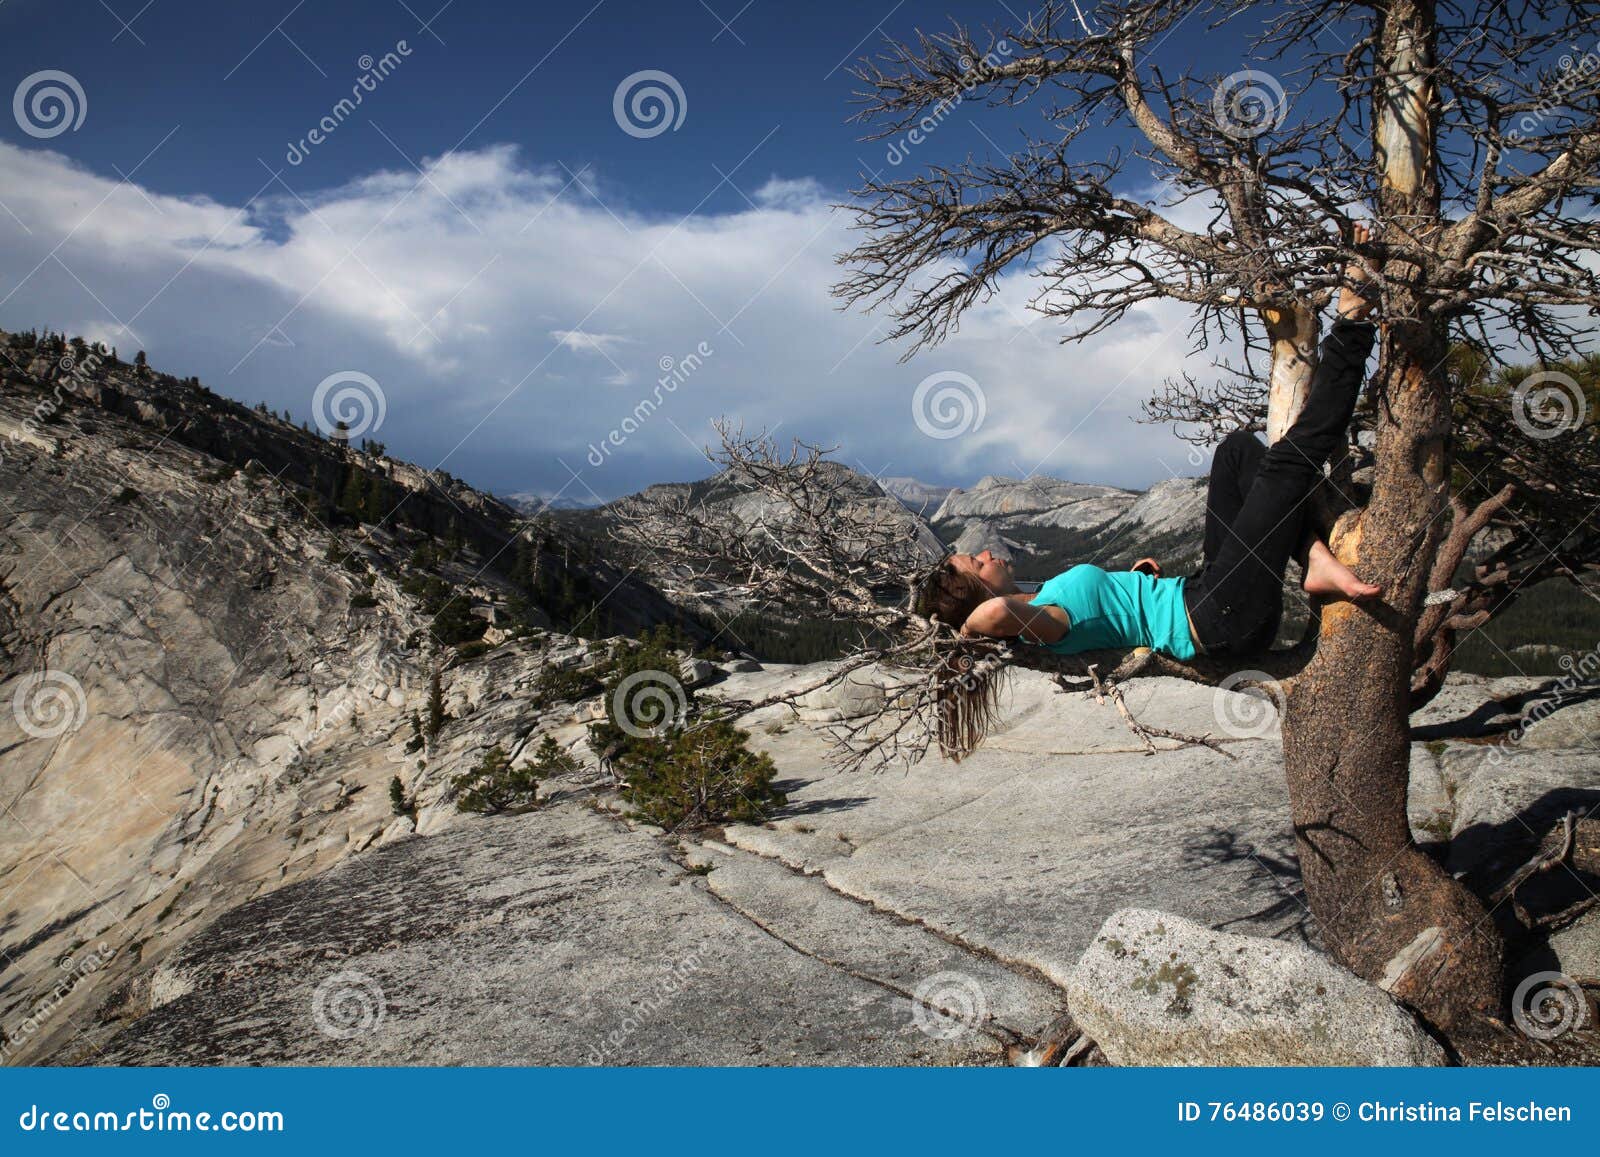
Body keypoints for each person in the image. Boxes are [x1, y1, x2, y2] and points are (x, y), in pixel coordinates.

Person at [917, 225, 1383, 661]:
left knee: (1235, 451)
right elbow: (996, 616)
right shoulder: (1044, 621)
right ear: (978, 592)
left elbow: (1105, 617)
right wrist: (965, 628)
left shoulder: (1039, 601)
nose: (984, 554)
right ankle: (1354, 323)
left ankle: (1315, 559)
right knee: (1289, 462)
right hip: (1215, 619)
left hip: (1202, 597)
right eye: (974, 565)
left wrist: (1136, 583)